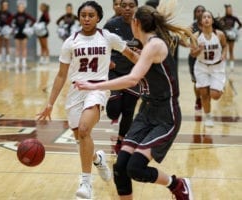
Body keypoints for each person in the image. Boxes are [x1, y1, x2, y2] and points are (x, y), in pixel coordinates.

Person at [75, 1, 196, 199]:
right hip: (146, 113)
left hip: (166, 116)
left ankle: (178, 185)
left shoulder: (154, 45)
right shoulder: (146, 46)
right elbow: (136, 60)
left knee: (136, 168)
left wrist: (94, 85)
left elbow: (132, 79)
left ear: (136, 23)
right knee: (120, 167)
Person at [36, 1, 139, 199]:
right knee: (81, 139)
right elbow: (60, 75)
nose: (86, 18)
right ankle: (97, 159)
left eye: (91, 15)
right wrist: (50, 103)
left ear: (98, 18)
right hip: (76, 92)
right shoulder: (71, 42)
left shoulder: (107, 37)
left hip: (98, 89)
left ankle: (86, 183)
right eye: (83, 15)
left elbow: (130, 54)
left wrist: (147, 67)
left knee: (84, 130)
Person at [104, 0, 141, 154]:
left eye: (131, 6)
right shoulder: (111, 25)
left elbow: (150, 44)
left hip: (135, 73)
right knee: (114, 110)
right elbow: (101, 45)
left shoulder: (142, 25)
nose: (127, 8)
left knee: (128, 110)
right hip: (115, 72)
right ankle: (113, 113)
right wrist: (107, 61)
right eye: (124, 5)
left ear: (136, 7)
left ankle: (121, 139)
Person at [190, 11, 227, 127]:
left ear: (212, 20)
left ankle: (219, 87)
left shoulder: (219, 34)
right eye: (204, 17)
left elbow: (225, 46)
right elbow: (193, 54)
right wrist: (198, 49)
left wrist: (224, 54)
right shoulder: (196, 36)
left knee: (214, 95)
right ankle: (208, 117)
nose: (206, 19)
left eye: (208, 17)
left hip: (217, 66)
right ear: (201, 21)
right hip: (202, 66)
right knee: (204, 94)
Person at [188, 5, 206, 111]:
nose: (200, 13)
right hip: (194, 58)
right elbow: (183, 38)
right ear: (195, 13)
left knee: (206, 82)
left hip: (207, 58)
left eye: (202, 11)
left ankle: (205, 99)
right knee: (196, 82)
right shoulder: (192, 26)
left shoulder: (210, 25)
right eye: (198, 11)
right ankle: (198, 99)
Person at [12, 3, 35, 71]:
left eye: (22, 7)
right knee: (17, 48)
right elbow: (9, 21)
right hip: (17, 33)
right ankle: (17, 61)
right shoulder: (15, 15)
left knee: (24, 48)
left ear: (24, 8)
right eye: (19, 7)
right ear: (17, 8)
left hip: (24, 33)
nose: (21, 9)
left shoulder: (26, 15)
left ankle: (24, 62)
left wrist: (29, 26)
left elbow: (33, 20)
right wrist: (12, 26)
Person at [220, 4, 241, 71]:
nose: (229, 11)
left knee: (231, 51)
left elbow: (240, 24)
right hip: (226, 35)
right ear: (226, 10)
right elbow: (219, 24)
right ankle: (224, 66)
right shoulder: (223, 18)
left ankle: (232, 66)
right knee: (225, 50)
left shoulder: (234, 18)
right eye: (228, 10)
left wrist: (235, 31)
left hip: (232, 36)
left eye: (230, 9)